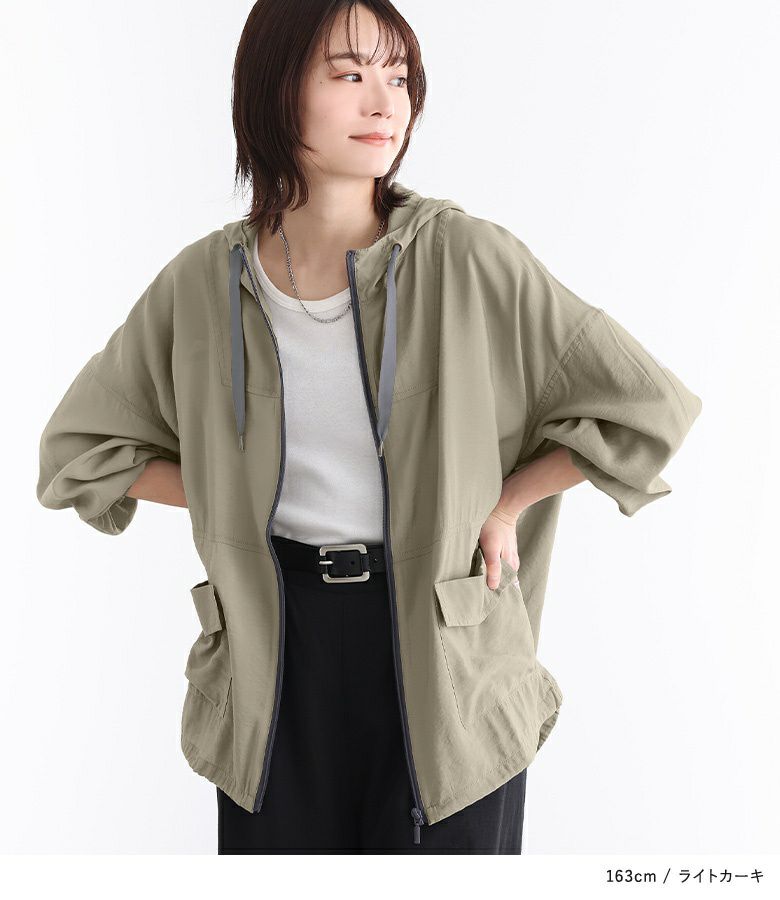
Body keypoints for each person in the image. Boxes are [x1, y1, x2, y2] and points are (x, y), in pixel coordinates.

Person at [36, 0, 703, 854]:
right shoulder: (203, 283)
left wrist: (506, 504)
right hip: (275, 651)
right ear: (276, 89)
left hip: (445, 656)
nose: (384, 103)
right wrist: (228, 493)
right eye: (349, 74)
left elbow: (644, 405)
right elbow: (81, 450)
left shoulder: (466, 258)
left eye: (399, 77)